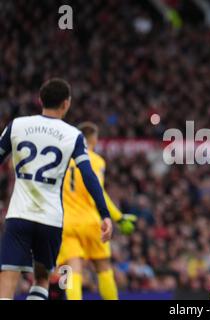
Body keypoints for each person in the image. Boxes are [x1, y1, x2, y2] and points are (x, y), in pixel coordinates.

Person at [0, 78, 112, 300]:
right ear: (66, 104)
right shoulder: (72, 135)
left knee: (8, 274)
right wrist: (105, 213)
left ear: (40, 100)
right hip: (51, 219)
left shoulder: (17, 125)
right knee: (42, 277)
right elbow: (89, 177)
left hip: (19, 215)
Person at [55, 121, 136, 300]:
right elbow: (98, 192)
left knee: (71, 269)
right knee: (103, 267)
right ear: (93, 140)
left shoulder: (62, 160)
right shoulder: (96, 160)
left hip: (66, 223)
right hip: (91, 222)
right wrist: (118, 217)